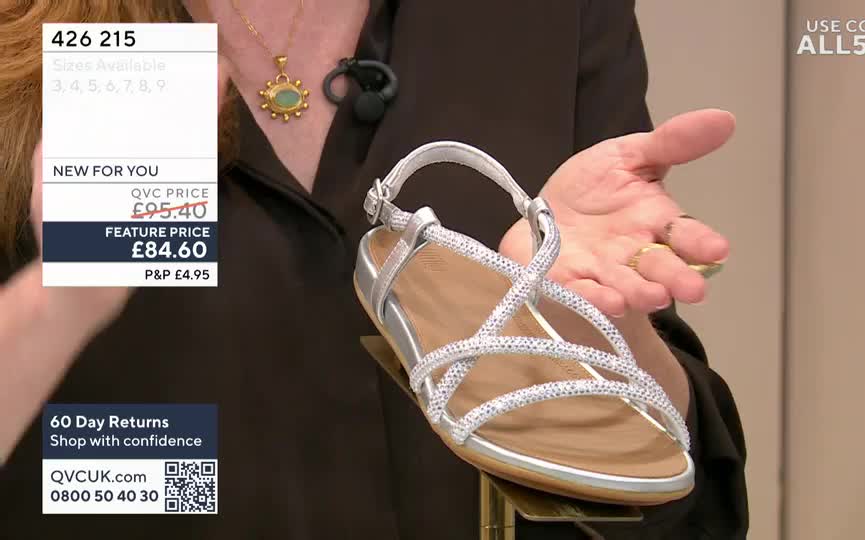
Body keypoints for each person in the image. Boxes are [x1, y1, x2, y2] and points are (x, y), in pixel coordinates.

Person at [0, 0, 748, 538]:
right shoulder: (34, 35)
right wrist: (60, 308)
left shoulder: (545, 19)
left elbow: (673, 505)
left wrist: (602, 333)